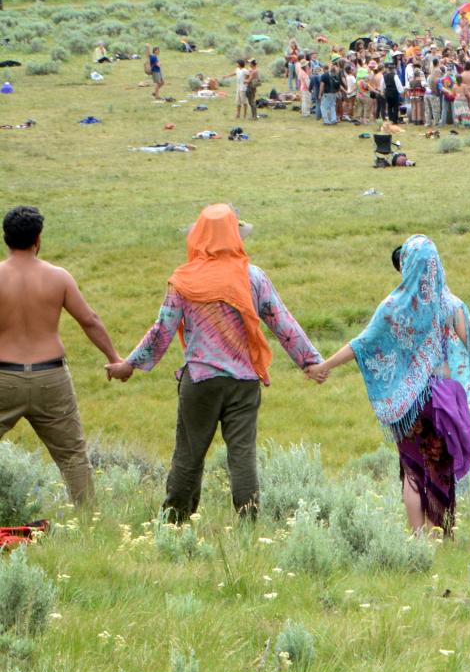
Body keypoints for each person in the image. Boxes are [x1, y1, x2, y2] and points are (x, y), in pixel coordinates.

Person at [109, 205, 323, 521]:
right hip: (244, 384)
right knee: (242, 456)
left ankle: (174, 522)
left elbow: (162, 330)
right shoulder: (253, 277)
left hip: (200, 382)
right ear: (235, 237)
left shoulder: (183, 280)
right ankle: (249, 523)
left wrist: (130, 365)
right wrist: (310, 362)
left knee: (188, 456)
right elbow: (283, 323)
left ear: (198, 238)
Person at [307, 238, 470, 535]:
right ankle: (440, 532)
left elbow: (362, 344)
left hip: (407, 404)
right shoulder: (451, 305)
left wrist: (324, 366)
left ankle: (417, 538)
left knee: (412, 468)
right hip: (442, 398)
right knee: (439, 465)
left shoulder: (393, 306)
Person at [0, 205, 123, 507]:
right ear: (38, 238)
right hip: (51, 377)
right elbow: (90, 320)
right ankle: (88, 524)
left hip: (4, 376)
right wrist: (115, 359)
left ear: (6, 238)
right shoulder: (58, 277)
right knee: (71, 456)